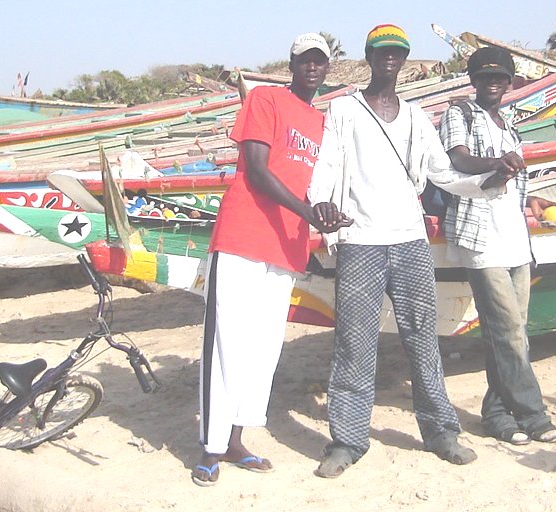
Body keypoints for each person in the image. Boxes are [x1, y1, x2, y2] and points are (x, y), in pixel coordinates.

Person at [308, 24, 501, 479]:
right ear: (369, 57)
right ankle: (347, 440)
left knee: (422, 338)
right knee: (354, 343)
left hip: (410, 241)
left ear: (405, 58)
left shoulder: (415, 117)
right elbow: (327, 162)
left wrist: (490, 180)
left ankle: (440, 433)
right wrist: (321, 203)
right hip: (360, 242)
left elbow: (442, 172)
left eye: (396, 52)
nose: (389, 59)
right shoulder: (344, 110)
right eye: (381, 52)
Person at [191, 33, 351, 487]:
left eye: (320, 61)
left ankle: (237, 440)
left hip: (287, 246)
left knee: (262, 349)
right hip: (244, 235)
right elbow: (258, 170)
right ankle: (210, 445)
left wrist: (327, 212)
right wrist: (308, 212)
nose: (313, 68)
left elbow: (320, 185)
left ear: (328, 67)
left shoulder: (322, 122)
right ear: (292, 64)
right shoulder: (266, 99)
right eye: (305, 61)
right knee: (225, 341)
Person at [437, 46, 556, 445]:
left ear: (509, 83)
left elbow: (514, 182)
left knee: (511, 331)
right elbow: (457, 160)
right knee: (508, 328)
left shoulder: (509, 126)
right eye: (485, 77)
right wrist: (497, 162)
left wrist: (532, 198)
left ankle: (496, 413)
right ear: (473, 81)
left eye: (500, 78)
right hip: (481, 239)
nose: (493, 83)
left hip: (514, 239)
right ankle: (533, 413)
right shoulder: (459, 113)